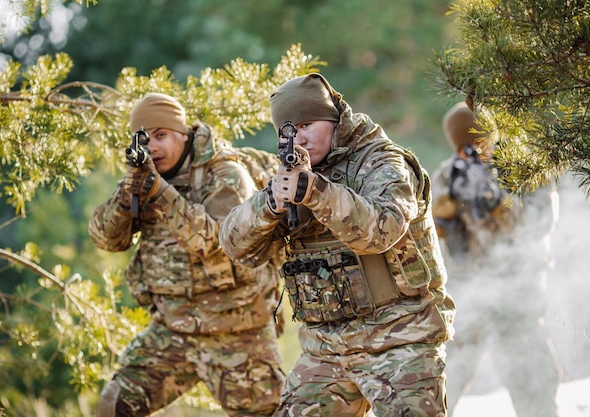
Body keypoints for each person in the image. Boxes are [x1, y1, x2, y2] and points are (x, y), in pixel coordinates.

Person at [219, 73, 455, 417]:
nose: (299, 138)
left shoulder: (382, 161)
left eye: (306, 125)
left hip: (400, 338)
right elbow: (237, 248)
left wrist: (315, 192)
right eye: (288, 131)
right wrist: (270, 203)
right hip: (325, 348)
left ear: (333, 120)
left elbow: (383, 229)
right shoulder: (291, 173)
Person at [89, 92, 285, 417]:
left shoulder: (226, 173)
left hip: (236, 331)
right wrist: (127, 196)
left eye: (161, 135)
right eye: (144, 138)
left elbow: (217, 242)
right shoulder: (146, 176)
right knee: (114, 406)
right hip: (173, 328)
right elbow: (107, 240)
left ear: (183, 132)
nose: (152, 146)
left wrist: (159, 193)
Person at [430, 101, 562, 417]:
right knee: (445, 377)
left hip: (518, 289)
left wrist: (498, 202)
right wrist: (450, 203)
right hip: (469, 291)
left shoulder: (525, 165)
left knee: (531, 377)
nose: (474, 153)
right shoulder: (449, 174)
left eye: (479, 143)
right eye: (464, 148)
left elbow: (541, 223)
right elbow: (431, 229)